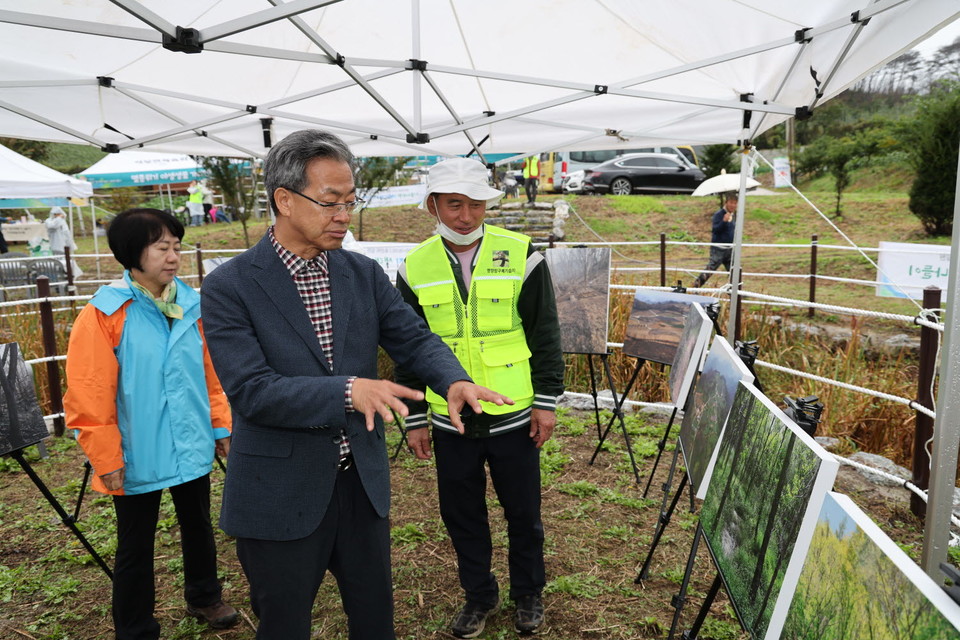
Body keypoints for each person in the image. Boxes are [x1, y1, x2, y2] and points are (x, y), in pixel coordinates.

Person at [199, 129, 512, 640]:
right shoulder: (230, 285)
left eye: (350, 201)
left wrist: (453, 379)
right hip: (279, 488)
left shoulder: (360, 273)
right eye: (330, 202)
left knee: (374, 621)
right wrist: (349, 390)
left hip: (359, 484)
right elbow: (252, 390)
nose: (344, 214)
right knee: (283, 625)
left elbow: (413, 338)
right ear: (284, 199)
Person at [396, 156, 565, 638]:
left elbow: (545, 333)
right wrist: (413, 417)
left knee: (524, 514)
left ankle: (528, 594)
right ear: (433, 205)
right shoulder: (413, 267)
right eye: (454, 204)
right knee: (462, 515)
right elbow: (406, 347)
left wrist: (546, 401)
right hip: (450, 421)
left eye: (475, 204)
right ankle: (478, 596)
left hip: (513, 414)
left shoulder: (523, 253)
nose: (466, 215)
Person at [63, 208, 239, 640]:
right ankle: (136, 627)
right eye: (162, 248)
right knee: (135, 544)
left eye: (176, 247)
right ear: (132, 253)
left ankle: (204, 596)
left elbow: (211, 375)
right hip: (136, 448)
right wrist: (106, 457)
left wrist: (221, 427)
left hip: (191, 440)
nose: (173, 257)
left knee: (198, 524)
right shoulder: (105, 314)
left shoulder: (193, 304)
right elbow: (90, 392)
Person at [692, 193, 737, 288]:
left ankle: (734, 291)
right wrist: (724, 221)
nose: (733, 205)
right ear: (726, 203)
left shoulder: (733, 216)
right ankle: (696, 286)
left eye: (735, 203)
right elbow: (715, 230)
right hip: (718, 248)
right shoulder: (719, 215)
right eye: (731, 203)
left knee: (733, 270)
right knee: (710, 269)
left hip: (730, 248)